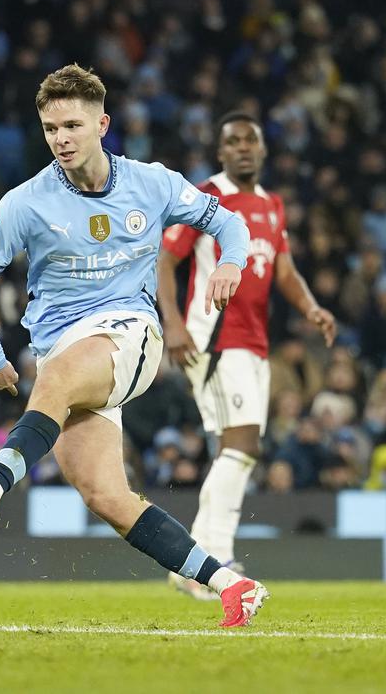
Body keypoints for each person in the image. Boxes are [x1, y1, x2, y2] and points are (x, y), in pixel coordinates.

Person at [0, 64, 266, 628]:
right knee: (107, 497)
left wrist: (230, 263)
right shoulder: (26, 202)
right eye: (49, 128)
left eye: (71, 125)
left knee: (55, 378)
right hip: (66, 351)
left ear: (102, 124)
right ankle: (232, 585)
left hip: (131, 334)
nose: (60, 139)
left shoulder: (153, 182)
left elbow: (229, 223)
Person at [156, 111, 337, 599]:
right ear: (221, 152)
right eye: (232, 141)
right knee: (242, 445)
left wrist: (313, 307)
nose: (241, 148)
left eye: (249, 141)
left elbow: (284, 271)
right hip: (211, 337)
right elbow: (165, 259)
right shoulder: (206, 196)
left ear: (262, 150)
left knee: (236, 450)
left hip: (255, 342)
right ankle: (216, 559)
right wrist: (172, 323)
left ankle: (190, 562)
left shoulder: (272, 206)